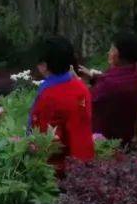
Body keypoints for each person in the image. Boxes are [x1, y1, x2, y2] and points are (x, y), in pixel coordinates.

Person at [29, 36, 94, 173]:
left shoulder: (48, 96)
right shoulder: (81, 87)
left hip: (58, 170)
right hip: (84, 161)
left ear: (44, 66)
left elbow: (43, 136)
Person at [86, 31, 137, 149]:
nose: (109, 52)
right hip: (124, 138)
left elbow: (85, 100)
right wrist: (94, 78)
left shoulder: (109, 83)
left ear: (119, 54)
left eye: (112, 49)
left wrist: (76, 83)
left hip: (102, 141)